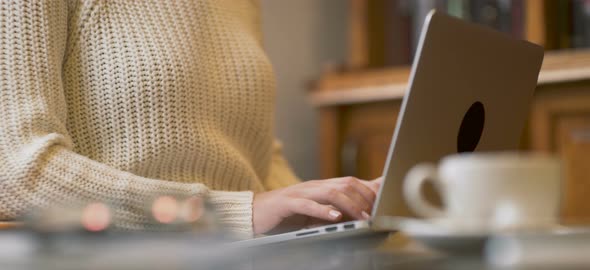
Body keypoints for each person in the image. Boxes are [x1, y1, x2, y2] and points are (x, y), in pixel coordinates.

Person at [0, 1, 380, 238]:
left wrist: (334, 207)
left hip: (242, 266)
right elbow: (17, 172)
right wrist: (234, 213)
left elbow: (254, 161)